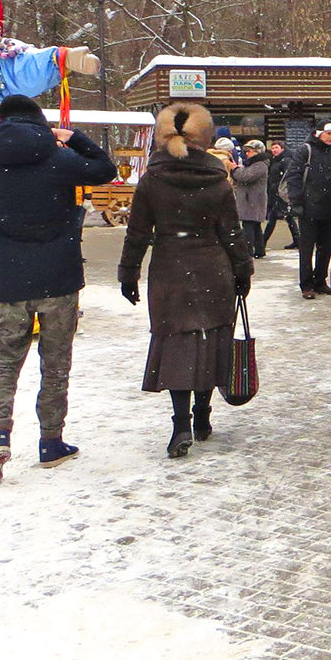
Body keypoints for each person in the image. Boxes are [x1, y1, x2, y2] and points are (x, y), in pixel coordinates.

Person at [0, 94, 116, 485]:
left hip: (9, 281)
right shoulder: (59, 160)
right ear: (40, 122)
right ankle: (51, 441)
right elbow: (105, 169)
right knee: (55, 363)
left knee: (4, 362)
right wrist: (73, 137)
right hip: (60, 279)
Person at [118, 103, 253, 459]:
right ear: (204, 136)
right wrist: (243, 270)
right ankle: (203, 415)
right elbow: (232, 232)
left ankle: (181, 424)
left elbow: (137, 232)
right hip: (213, 269)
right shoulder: (217, 179)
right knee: (210, 340)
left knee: (178, 344)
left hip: (170, 271)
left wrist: (128, 272)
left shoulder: (152, 179)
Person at [286, 122, 331, 298]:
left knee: (325, 247)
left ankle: (320, 280)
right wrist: (296, 201)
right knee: (306, 248)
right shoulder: (305, 150)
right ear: (318, 133)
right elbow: (294, 176)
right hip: (308, 207)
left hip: (327, 207)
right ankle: (306, 284)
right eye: (328, 133)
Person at [234, 139, 269, 258]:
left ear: (257, 152)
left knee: (249, 225)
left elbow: (245, 177)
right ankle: (259, 250)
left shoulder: (260, 165)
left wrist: (234, 169)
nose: (247, 153)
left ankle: (248, 251)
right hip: (252, 199)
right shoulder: (254, 164)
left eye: (249, 151)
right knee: (255, 225)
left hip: (252, 199)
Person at [264, 140, 299, 251]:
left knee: (275, 217)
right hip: (275, 192)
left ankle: (262, 241)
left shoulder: (285, 160)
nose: (274, 150)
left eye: (276, 147)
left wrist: (282, 190)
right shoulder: (275, 160)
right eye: (273, 148)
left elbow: (287, 177)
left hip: (281, 193)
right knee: (286, 217)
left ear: (282, 149)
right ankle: (297, 240)